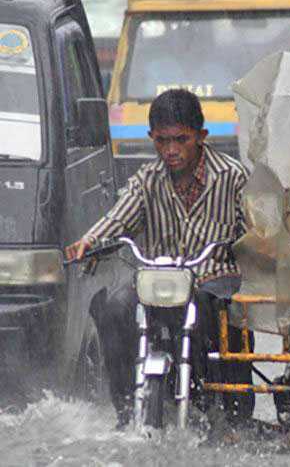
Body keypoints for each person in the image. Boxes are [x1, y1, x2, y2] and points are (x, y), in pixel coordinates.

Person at [65, 89, 254, 428]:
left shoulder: (232, 176)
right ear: (152, 138)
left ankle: (230, 410)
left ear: (200, 136)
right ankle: (125, 410)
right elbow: (118, 217)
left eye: (181, 140)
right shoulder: (147, 180)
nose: (171, 150)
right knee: (113, 309)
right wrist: (90, 241)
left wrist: (257, 249)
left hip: (212, 281)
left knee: (227, 315)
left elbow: (254, 233)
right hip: (156, 281)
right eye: (162, 141)